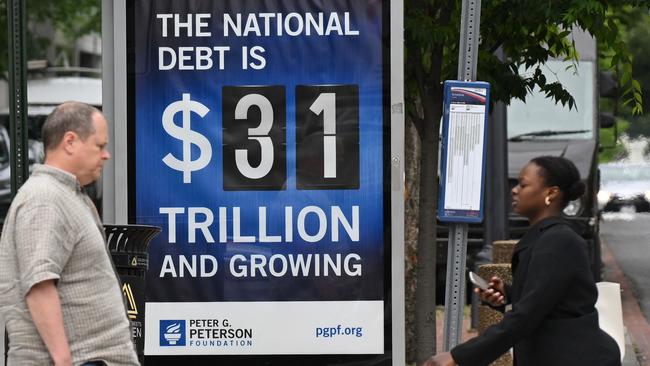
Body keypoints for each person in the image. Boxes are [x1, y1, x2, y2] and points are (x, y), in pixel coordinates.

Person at [424, 156, 620, 366]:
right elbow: (550, 297)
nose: (515, 190)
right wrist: (508, 294)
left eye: (523, 184)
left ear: (551, 193)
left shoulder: (559, 241)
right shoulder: (544, 237)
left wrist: (458, 356)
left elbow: (527, 316)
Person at [0, 102, 139, 365]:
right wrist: (63, 362)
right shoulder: (44, 199)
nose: (106, 155)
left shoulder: (61, 194)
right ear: (70, 142)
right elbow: (39, 285)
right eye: (99, 145)